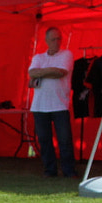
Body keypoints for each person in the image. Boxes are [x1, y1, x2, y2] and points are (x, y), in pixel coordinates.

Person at [27, 26, 76, 177]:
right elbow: (31, 73)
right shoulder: (38, 57)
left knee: (64, 140)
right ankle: (50, 170)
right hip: (39, 106)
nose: (56, 42)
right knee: (44, 140)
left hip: (59, 104)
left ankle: (69, 171)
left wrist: (40, 73)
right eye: (53, 39)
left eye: (59, 39)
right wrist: (48, 71)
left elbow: (60, 72)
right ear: (46, 40)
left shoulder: (66, 54)